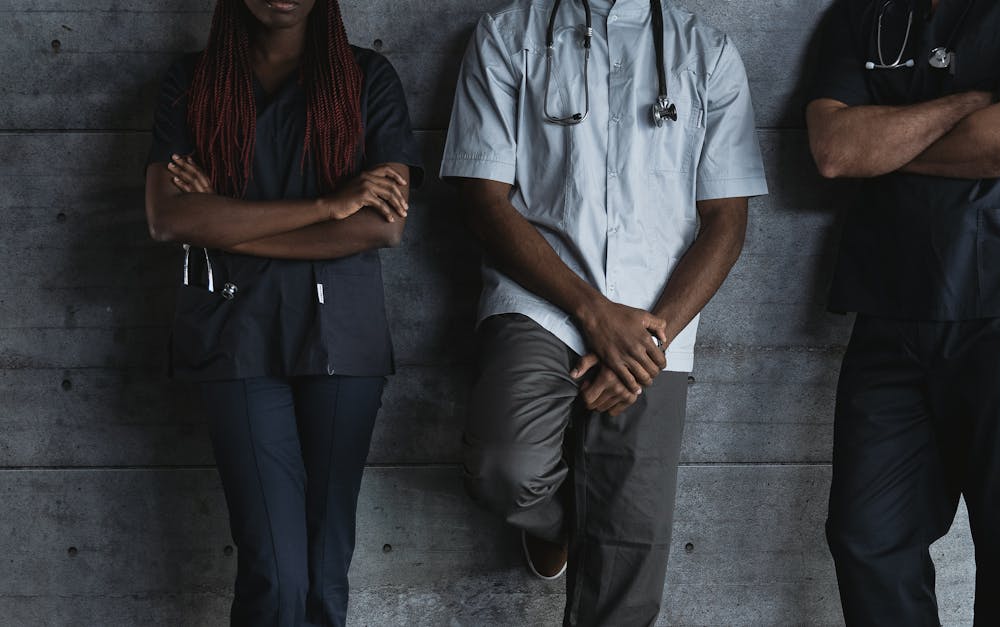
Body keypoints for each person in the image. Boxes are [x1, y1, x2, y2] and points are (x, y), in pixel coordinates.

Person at [440, 0, 767, 623]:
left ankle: (601, 527)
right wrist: (594, 314)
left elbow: (727, 220)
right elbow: (483, 200)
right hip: (539, 302)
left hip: (656, 321)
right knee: (503, 470)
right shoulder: (508, 36)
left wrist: (647, 339)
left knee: (632, 552)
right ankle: (564, 526)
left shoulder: (710, 55)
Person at [805, 0, 1000, 624]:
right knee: (867, 541)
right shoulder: (863, 14)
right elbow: (834, 149)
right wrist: (965, 106)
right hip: (889, 311)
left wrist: (885, 149)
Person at [143, 0, 422, 624]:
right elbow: (169, 219)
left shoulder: (366, 77)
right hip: (233, 336)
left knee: (325, 574)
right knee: (274, 571)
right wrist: (329, 205)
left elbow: (382, 228)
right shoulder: (192, 82)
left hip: (341, 344)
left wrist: (226, 224)